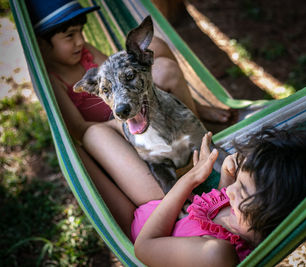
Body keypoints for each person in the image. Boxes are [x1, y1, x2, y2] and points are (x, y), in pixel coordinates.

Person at [25, 0, 232, 232]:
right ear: (43, 45)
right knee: (93, 133)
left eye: (81, 32)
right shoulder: (51, 81)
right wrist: (120, 124)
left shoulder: (85, 53)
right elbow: (79, 130)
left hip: (140, 110)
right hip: (111, 133)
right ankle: (176, 178)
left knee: (159, 52)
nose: (80, 40)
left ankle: (195, 130)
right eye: (69, 36)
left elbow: (119, 72)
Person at [93, 126, 306, 265]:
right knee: (95, 134)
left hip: (132, 231)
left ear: (275, 210)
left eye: (243, 189)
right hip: (156, 204)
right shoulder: (246, 217)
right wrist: (229, 176)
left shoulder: (217, 255)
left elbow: (144, 248)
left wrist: (192, 177)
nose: (231, 190)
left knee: (86, 147)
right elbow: (211, 214)